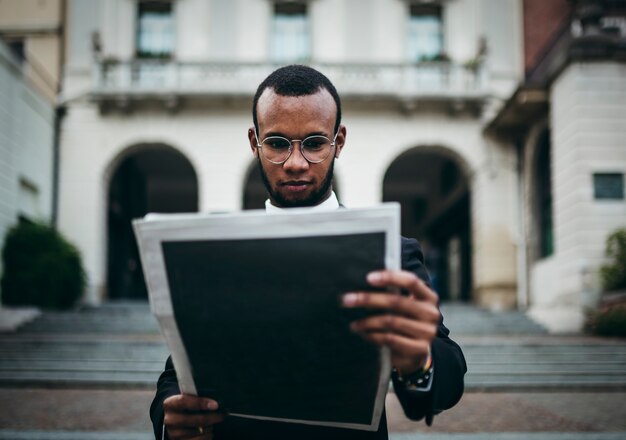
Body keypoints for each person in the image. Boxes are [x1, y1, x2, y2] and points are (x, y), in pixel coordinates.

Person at [150, 65, 466, 440]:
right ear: (255, 142)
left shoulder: (390, 252)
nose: (296, 163)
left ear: (339, 140)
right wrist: (173, 420)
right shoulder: (219, 253)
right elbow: (177, 374)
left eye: (314, 143)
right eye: (277, 143)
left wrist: (419, 360)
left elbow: (446, 372)